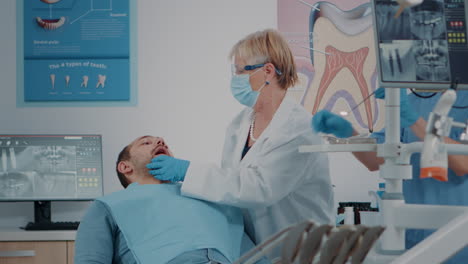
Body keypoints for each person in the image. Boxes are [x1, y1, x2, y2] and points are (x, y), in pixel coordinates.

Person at [146, 29, 334, 261]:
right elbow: (231, 187)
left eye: (240, 71)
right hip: (256, 249)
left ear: (267, 71)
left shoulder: (299, 129)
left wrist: (188, 172)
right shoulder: (240, 125)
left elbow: (258, 188)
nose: (235, 79)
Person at [312, 87, 468, 263]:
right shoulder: (416, 101)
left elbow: (463, 163)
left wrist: (414, 119)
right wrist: (350, 133)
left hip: (458, 236)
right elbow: (374, 159)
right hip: (411, 236)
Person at [74, 135, 267, 264]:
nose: (159, 141)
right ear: (125, 167)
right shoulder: (108, 206)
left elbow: (253, 256)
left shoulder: (209, 196)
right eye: (146, 143)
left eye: (163, 142)